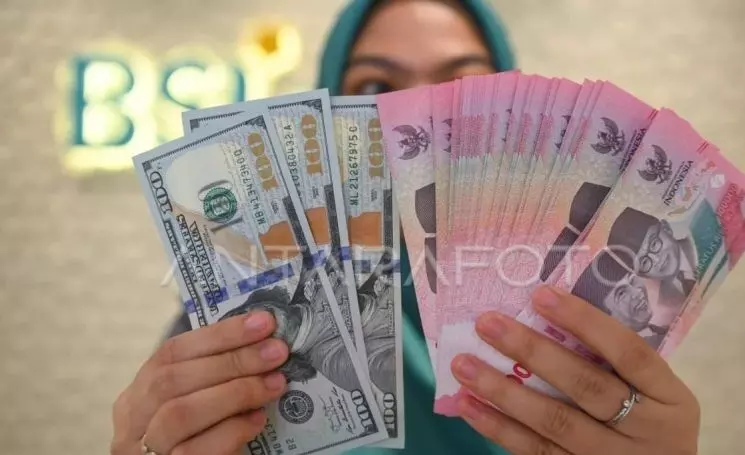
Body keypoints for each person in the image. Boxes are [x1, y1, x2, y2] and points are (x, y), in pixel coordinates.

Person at [111, 1, 701, 455]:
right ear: (326, 115)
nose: (417, 117)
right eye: (375, 88)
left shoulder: (587, 306)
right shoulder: (249, 312)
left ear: (519, 114)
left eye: (463, 85)